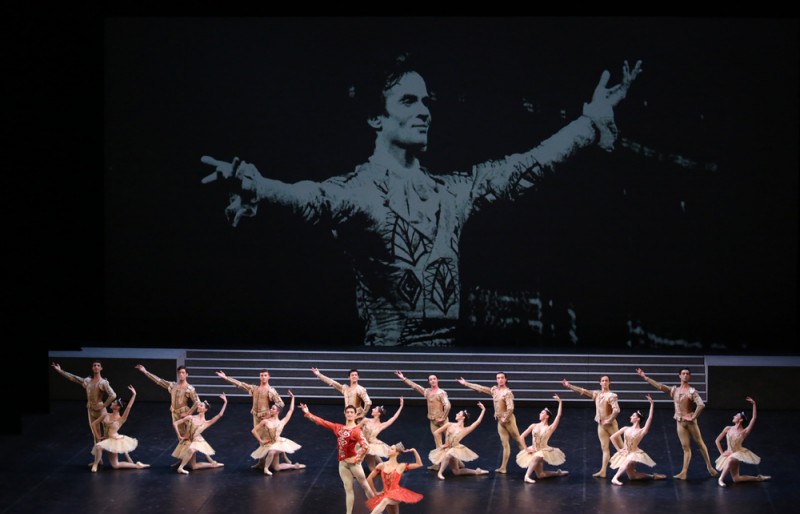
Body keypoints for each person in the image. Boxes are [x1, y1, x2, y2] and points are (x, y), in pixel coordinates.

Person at [200, 53, 643, 347]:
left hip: (444, 367)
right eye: (408, 100)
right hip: (385, 367)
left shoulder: (452, 191)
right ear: (376, 116)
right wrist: (258, 186)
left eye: (426, 101)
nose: (425, 111)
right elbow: (313, 198)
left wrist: (590, 124)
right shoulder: (360, 191)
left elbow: (523, 166)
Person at [300, 402, 377, 514]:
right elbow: (322, 422)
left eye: (352, 412)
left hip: (354, 465)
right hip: (342, 464)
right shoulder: (339, 428)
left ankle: (378, 512)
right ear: (345, 414)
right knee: (348, 489)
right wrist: (307, 413)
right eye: (348, 412)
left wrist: (357, 458)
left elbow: (366, 446)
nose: (350, 414)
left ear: (356, 415)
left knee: (365, 486)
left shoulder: (356, 431)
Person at [636, 367, 718, 479]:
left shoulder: (692, 391)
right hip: (680, 422)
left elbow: (701, 405)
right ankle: (684, 472)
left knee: (699, 443)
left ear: (689, 376)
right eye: (683, 373)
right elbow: (660, 386)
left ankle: (709, 467)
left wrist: (693, 416)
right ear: (679, 376)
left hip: (690, 422)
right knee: (685, 447)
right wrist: (645, 377)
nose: (685, 375)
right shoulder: (674, 390)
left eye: (687, 374)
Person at [136, 364, 212, 465]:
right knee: (181, 437)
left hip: (183, 414)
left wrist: (188, 413)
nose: (181, 374)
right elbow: (159, 381)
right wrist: (145, 371)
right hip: (174, 413)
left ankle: (204, 459)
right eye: (179, 372)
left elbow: (197, 402)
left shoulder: (190, 388)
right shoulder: (172, 385)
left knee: (191, 436)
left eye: (183, 373)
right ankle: (182, 459)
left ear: (186, 375)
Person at [216, 369, 291, 468]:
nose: (263, 377)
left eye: (265, 375)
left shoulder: (271, 390)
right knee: (261, 440)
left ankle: (283, 455)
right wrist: (226, 378)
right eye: (261, 375)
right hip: (256, 417)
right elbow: (240, 384)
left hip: (265, 418)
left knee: (271, 438)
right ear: (259, 377)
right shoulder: (254, 389)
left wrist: (270, 414)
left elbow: (280, 403)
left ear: (269, 377)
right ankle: (261, 461)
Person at [51, 360, 120, 465]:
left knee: (108, 434)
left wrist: (105, 404)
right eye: (94, 365)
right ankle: (98, 460)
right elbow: (74, 378)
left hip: (101, 411)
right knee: (96, 435)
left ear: (101, 368)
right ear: (92, 368)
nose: (96, 367)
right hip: (91, 410)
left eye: (98, 365)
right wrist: (60, 371)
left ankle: (114, 459)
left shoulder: (103, 383)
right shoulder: (87, 381)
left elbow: (113, 395)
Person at [358, 443, 436, 514]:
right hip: (387, 493)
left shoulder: (401, 466)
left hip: (397, 494)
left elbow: (419, 464)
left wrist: (414, 450)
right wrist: (375, 491)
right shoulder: (381, 465)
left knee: (386, 500)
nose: (389, 450)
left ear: (397, 453)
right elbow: (369, 478)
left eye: (391, 449)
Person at [457, 372, 526, 473]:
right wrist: (466, 383)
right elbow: (481, 388)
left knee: (518, 440)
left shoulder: (507, 392)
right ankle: (503, 468)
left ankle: (530, 461)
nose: (500, 380)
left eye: (502, 378)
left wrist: (505, 418)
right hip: (500, 421)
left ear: (506, 379)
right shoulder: (494, 390)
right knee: (505, 444)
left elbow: (510, 407)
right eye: (498, 378)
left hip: (509, 420)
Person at [561, 375, 620, 478]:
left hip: (611, 425)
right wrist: (569, 386)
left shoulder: (612, 395)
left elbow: (616, 410)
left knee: (622, 447)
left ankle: (631, 469)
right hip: (601, 425)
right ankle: (603, 471)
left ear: (609, 382)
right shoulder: (597, 394)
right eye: (603, 380)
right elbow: (583, 391)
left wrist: (609, 420)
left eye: (606, 380)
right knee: (605, 448)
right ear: (600, 383)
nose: (605, 382)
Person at [395, 371, 451, 469]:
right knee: (438, 444)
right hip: (433, 421)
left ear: (437, 380)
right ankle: (437, 465)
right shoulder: (427, 392)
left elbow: (447, 405)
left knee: (449, 443)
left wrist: (443, 417)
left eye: (434, 379)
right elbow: (416, 386)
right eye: (430, 379)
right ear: (429, 382)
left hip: (443, 422)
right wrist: (403, 378)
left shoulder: (442, 393)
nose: (432, 381)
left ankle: (458, 464)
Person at [609, 394, 667, 485]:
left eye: (633, 416)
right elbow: (612, 437)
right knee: (633, 477)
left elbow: (649, 418)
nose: (630, 417)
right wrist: (619, 450)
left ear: (638, 419)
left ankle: (615, 478)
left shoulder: (641, 431)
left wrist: (652, 404)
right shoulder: (625, 428)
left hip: (635, 453)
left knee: (628, 461)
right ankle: (653, 476)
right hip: (626, 452)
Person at [90, 385, 149, 472]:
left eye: (114, 403)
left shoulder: (121, 419)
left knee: (115, 465)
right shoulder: (106, 415)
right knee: (98, 447)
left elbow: (128, 407)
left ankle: (137, 465)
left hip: (113, 441)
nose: (112, 403)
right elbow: (94, 424)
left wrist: (134, 395)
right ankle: (95, 464)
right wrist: (98, 436)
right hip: (106, 439)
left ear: (117, 407)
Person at [715, 397, 770, 487]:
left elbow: (754, 418)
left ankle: (720, 479)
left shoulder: (744, 432)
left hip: (738, 453)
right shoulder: (728, 428)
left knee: (731, 459)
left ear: (740, 420)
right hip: (729, 454)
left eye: (736, 416)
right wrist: (722, 453)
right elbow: (717, 441)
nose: (734, 416)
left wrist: (754, 404)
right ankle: (758, 478)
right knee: (736, 479)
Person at [250, 390, 306, 475]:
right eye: (271, 408)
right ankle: (294, 466)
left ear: (277, 412)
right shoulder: (266, 421)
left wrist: (293, 398)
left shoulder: (282, 422)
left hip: (278, 444)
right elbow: (253, 431)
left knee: (272, 451)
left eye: (273, 408)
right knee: (276, 468)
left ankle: (266, 468)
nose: (271, 409)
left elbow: (290, 410)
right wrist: (261, 440)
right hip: (269, 444)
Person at [429, 402, 489, 480]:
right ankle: (475, 471)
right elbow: (436, 433)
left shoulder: (465, 430)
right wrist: (441, 445)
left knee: (448, 455)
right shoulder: (449, 424)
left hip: (455, 449)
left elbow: (477, 422)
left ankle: (440, 472)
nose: (456, 414)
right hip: (447, 448)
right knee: (456, 472)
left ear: (463, 417)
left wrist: (483, 409)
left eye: (459, 413)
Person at [516, 394, 568, 483]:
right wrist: (526, 449)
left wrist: (560, 402)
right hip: (534, 449)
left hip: (543, 451)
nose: (540, 414)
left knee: (537, 456)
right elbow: (521, 437)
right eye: (540, 412)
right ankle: (557, 473)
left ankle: (527, 476)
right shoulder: (534, 425)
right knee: (540, 475)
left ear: (547, 416)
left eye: (542, 413)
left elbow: (558, 416)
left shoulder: (549, 428)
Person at [173, 393, 227, 474]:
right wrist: (179, 436)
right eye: (199, 405)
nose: (198, 406)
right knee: (193, 466)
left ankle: (212, 464)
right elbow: (175, 423)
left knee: (192, 451)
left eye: (201, 406)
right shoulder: (191, 417)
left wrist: (225, 402)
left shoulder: (206, 423)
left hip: (195, 441)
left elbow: (220, 415)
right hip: (187, 441)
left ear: (205, 409)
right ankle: (182, 463)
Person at [360, 397, 405, 472]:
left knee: (372, 467)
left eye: (375, 409)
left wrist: (401, 406)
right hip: (362, 442)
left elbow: (393, 418)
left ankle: (389, 470)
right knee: (360, 459)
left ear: (378, 413)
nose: (372, 409)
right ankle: (356, 472)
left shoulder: (381, 425)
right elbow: (356, 428)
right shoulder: (366, 420)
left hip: (372, 444)